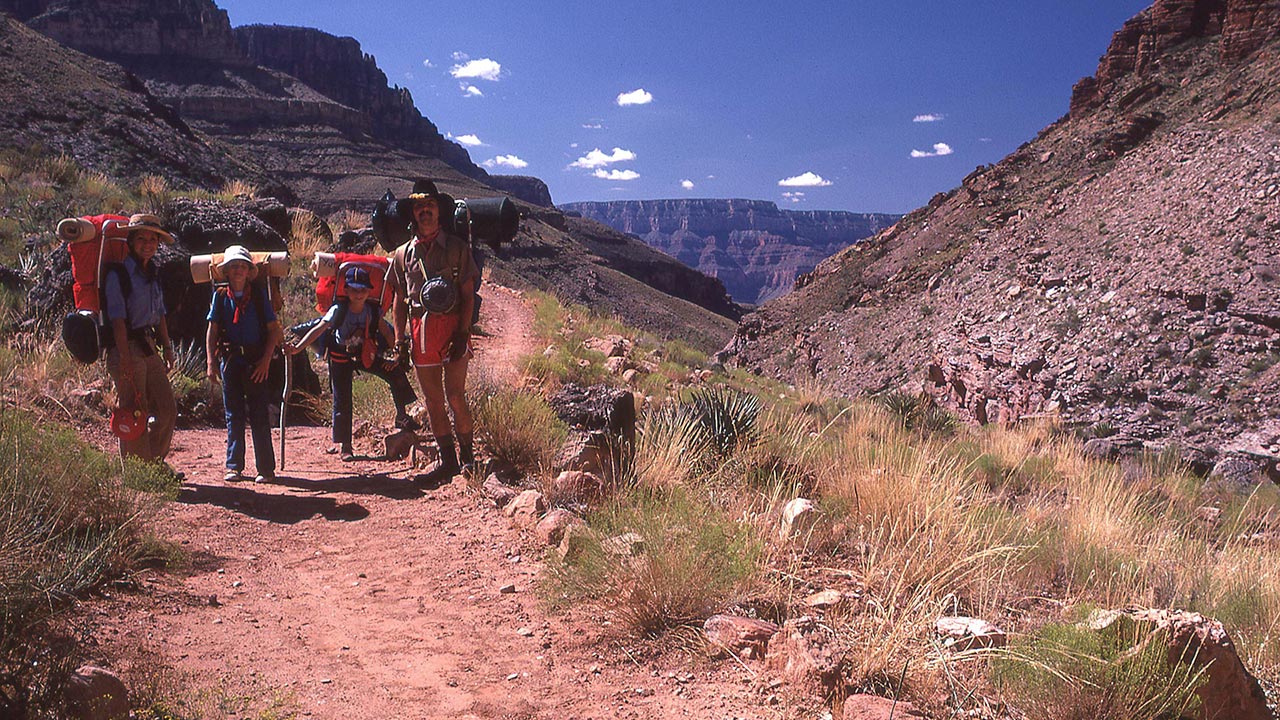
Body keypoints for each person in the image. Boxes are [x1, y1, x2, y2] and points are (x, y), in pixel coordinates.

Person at [388, 179, 480, 485]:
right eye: (418, 206)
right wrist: (399, 339)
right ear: (413, 213)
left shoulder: (457, 249)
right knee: (433, 401)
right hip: (420, 331)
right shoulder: (402, 255)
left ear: (439, 211)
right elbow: (399, 300)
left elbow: (467, 295)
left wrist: (463, 333)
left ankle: (469, 459)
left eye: (429, 205)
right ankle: (448, 462)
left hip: (453, 328)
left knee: (455, 396)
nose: (424, 211)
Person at [285, 265, 419, 460]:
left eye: (363, 290)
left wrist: (397, 355)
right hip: (341, 357)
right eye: (355, 290)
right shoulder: (338, 310)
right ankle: (345, 445)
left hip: (366, 354)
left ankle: (402, 416)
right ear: (346, 290)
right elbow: (319, 329)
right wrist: (298, 348)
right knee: (342, 398)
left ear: (369, 291)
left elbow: (387, 332)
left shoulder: (372, 311)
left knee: (395, 373)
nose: (359, 294)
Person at [103, 213, 181, 477]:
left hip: (148, 345)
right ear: (131, 241)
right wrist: (124, 358)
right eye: (142, 239)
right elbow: (118, 321)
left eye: (153, 239)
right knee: (134, 411)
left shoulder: (152, 273)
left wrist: (167, 348)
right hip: (125, 347)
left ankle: (153, 464)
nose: (148, 244)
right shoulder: (119, 275)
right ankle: (140, 475)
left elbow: (160, 314)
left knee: (167, 408)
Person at [205, 245, 283, 483]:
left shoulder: (259, 297)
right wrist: (210, 361)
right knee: (234, 414)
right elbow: (213, 330)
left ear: (249, 271)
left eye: (242, 266)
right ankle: (234, 466)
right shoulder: (220, 297)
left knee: (259, 413)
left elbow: (273, 331)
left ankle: (266, 469)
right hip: (230, 362)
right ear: (226, 271)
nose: (238, 270)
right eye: (233, 266)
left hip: (255, 361)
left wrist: (266, 361)